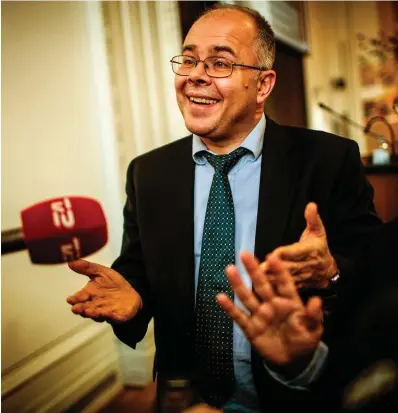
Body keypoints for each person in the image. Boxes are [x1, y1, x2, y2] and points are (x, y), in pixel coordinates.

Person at [66, 3, 382, 412]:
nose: (195, 74)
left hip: (296, 392)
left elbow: (372, 267)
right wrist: (134, 299)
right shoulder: (148, 172)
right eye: (190, 59)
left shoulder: (329, 159)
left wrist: (332, 272)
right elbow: (139, 267)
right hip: (186, 397)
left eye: (219, 63)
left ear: (263, 85)